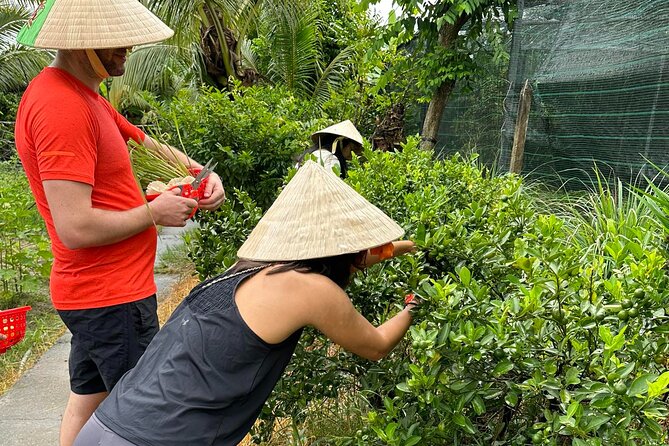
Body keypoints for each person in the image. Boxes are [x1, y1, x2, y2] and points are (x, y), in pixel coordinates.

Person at [73, 160, 418, 446]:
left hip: (106, 424)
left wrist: (402, 247)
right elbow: (377, 346)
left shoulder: (248, 269)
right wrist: (415, 306)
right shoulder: (314, 290)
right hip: (161, 439)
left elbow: (340, 260)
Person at [13, 1, 226, 445]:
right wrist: (154, 212)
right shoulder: (60, 106)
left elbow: (146, 142)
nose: (128, 46)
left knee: (87, 399)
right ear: (81, 41)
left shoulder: (83, 95)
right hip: (109, 298)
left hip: (99, 295)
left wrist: (201, 176)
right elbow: (76, 226)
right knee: (149, 418)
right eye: (116, 37)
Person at [296, 120, 364, 178]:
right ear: (341, 143)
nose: (352, 155)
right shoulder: (331, 159)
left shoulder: (312, 154)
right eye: (352, 149)